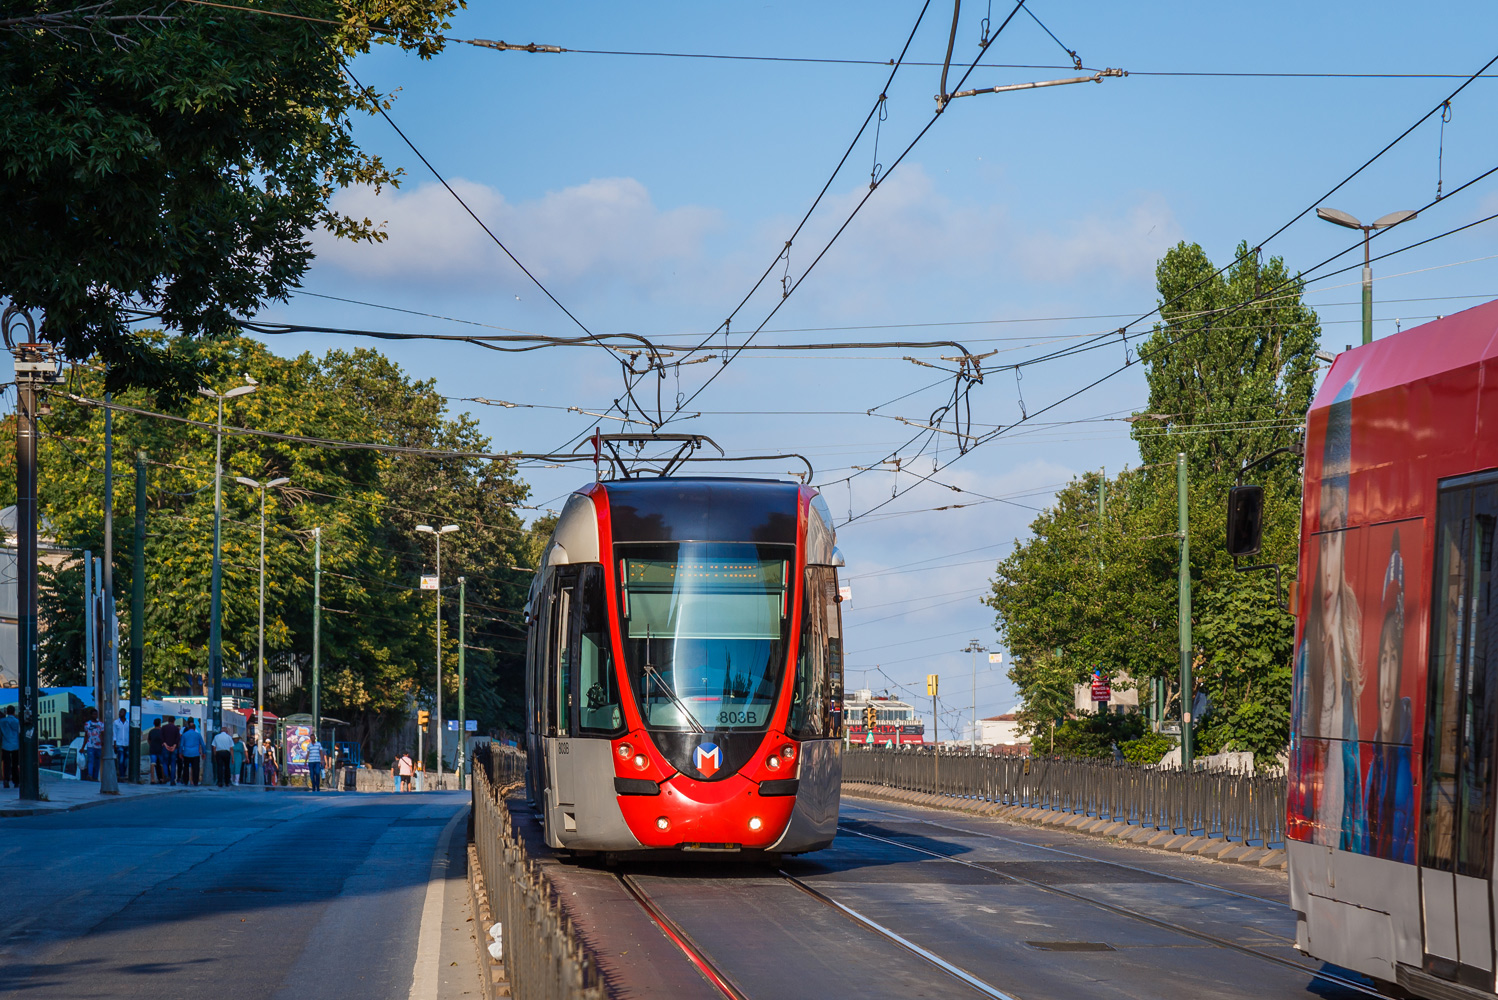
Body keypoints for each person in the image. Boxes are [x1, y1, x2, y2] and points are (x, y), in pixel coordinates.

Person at [179, 719, 204, 786]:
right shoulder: (198, 735)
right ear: (194, 728)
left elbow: (181, 745)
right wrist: (203, 753)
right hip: (195, 753)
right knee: (196, 768)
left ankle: (185, 781)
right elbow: (202, 744)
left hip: (186, 753)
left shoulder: (184, 735)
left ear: (188, 728)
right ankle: (195, 781)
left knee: (186, 767)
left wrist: (180, 753)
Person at [82, 708, 104, 781]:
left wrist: (102, 742)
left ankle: (95, 777)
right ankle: (90, 775)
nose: (95, 715)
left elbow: (102, 734)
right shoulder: (87, 724)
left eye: (96, 714)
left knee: (97, 762)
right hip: (90, 745)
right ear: (91, 715)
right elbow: (86, 735)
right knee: (91, 760)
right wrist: (83, 747)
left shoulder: (101, 724)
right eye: (94, 714)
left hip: (98, 745)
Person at [1, 705, 19, 788]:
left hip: (5, 745)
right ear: (14, 712)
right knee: (15, 764)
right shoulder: (17, 721)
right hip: (15, 745)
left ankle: (6, 780)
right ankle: (16, 781)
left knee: (6, 763)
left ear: (7, 712)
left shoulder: (2, 721)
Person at [158, 716, 180, 786]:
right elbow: (178, 738)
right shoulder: (176, 728)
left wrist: (165, 744)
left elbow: (161, 737)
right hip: (174, 748)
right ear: (174, 721)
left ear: (168, 721)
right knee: (173, 764)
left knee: (165, 762)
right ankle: (172, 780)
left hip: (165, 747)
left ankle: (166, 775)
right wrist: (174, 746)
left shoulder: (164, 728)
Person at [113, 708, 130, 780]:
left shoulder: (128, 722)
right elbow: (114, 733)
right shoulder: (116, 722)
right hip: (119, 743)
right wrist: (114, 743)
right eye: (119, 712)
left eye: (121, 712)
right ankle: (121, 775)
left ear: (125, 713)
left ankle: (124, 773)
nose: (120, 714)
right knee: (121, 760)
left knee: (126, 761)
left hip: (127, 743)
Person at [146, 718, 163, 783]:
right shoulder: (162, 731)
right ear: (160, 723)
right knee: (161, 764)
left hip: (153, 749)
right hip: (160, 750)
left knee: (152, 764)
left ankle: (152, 779)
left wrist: (151, 745)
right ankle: (162, 778)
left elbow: (149, 740)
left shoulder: (151, 731)